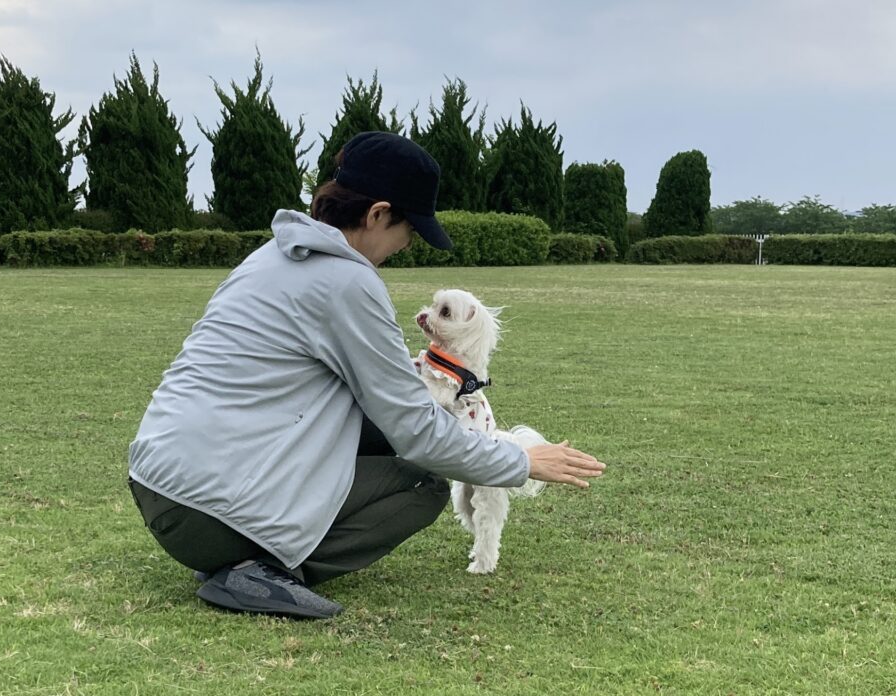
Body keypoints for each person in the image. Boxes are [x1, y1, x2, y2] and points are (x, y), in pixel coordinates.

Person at [127, 131, 605, 619]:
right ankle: (259, 569)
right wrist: (521, 461)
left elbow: (392, 408)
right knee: (423, 484)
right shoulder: (348, 281)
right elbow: (417, 431)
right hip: (207, 510)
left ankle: (237, 551)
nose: (406, 244)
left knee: (380, 433)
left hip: (158, 487)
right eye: (409, 230)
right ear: (377, 214)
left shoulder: (266, 258)